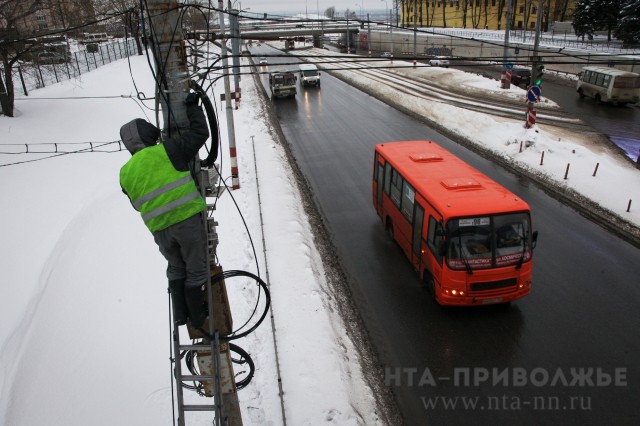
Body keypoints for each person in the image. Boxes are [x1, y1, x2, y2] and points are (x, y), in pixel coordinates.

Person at [119, 92, 210, 328]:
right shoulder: (167, 150)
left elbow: (136, 202)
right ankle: (200, 319)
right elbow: (201, 134)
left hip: (160, 231)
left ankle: (181, 315)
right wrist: (192, 107)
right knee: (197, 268)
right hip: (186, 221)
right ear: (150, 136)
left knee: (177, 267)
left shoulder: (124, 173)